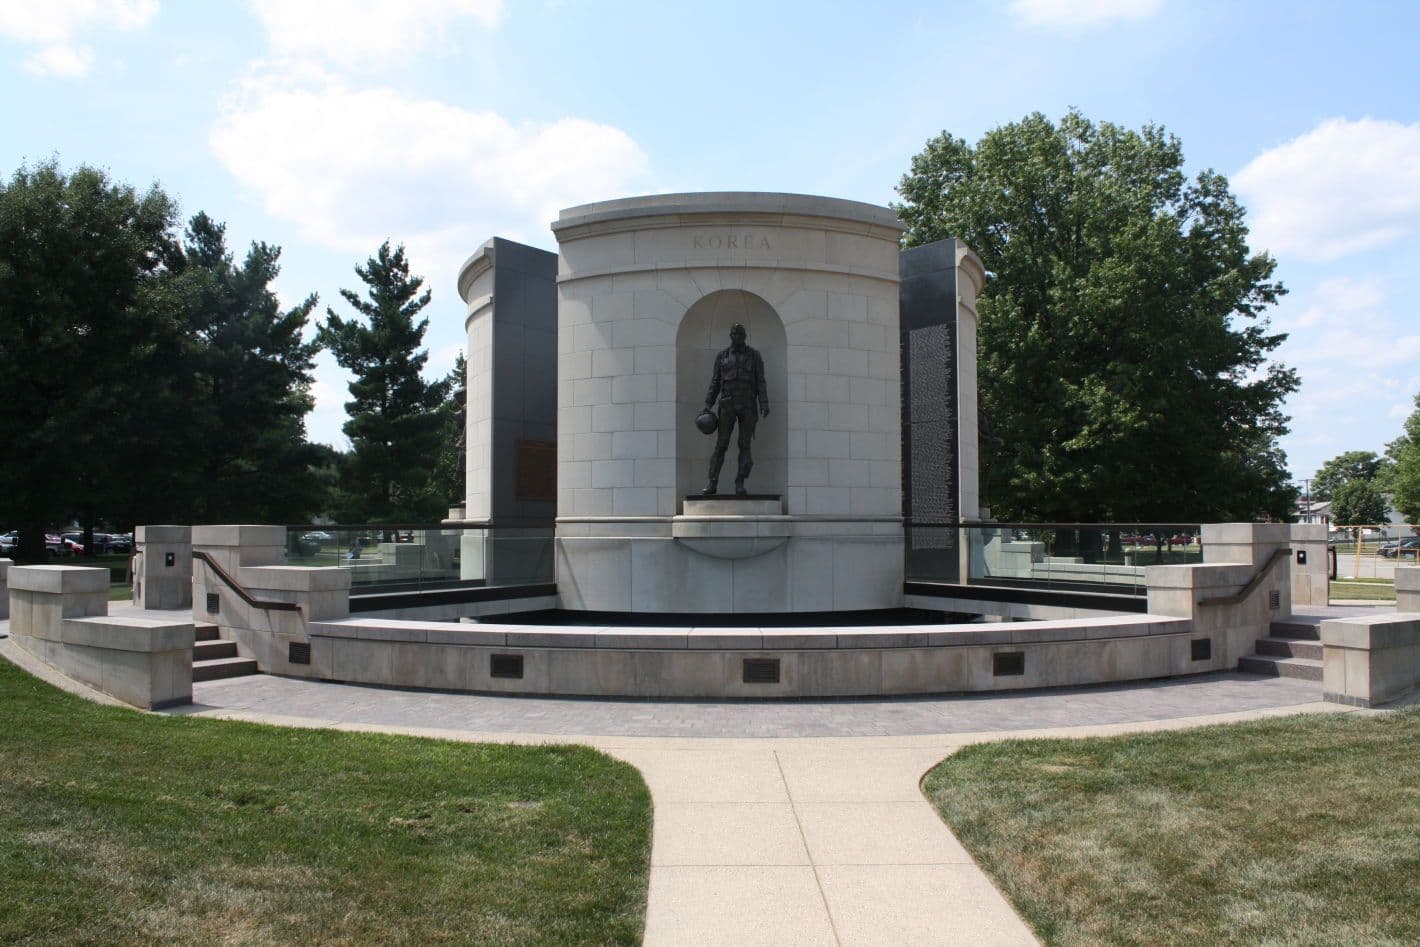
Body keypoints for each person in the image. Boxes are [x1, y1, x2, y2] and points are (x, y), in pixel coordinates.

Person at [701, 323, 769, 496]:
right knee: (721, 444)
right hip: (727, 405)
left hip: (747, 405)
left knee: (744, 445)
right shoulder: (722, 356)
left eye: (740, 334)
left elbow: (760, 381)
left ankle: (740, 482)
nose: (737, 337)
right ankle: (712, 482)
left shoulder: (754, 356)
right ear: (730, 336)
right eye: (734, 334)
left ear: (745, 336)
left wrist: (764, 403)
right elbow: (715, 381)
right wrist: (708, 403)